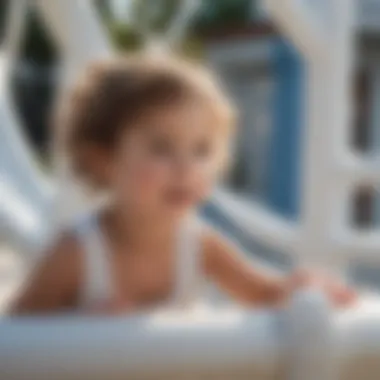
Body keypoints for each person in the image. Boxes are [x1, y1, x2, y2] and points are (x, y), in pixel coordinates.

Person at [9, 54, 355, 315]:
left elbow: (263, 294)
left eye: (202, 150)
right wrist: (76, 331)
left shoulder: (200, 246)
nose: (186, 168)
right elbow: (15, 340)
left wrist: (303, 288)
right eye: (161, 148)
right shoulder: (76, 254)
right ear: (104, 159)